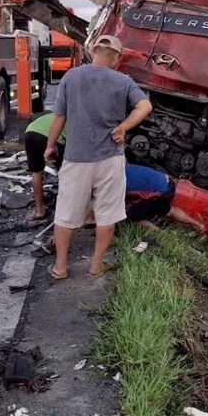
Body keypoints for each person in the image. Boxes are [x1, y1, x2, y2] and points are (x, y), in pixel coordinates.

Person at [44, 35, 152, 280]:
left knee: (66, 213)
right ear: (117, 57)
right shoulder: (123, 81)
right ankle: (96, 265)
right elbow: (145, 107)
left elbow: (59, 116)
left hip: (76, 157)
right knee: (107, 214)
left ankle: (60, 267)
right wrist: (123, 127)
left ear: (93, 50)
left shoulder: (72, 76)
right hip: (109, 158)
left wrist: (50, 146)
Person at [23, 112, 67, 222]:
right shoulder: (73, 118)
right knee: (67, 173)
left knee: (36, 172)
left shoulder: (55, 114)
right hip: (52, 137)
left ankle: (40, 211)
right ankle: (65, 212)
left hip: (30, 132)